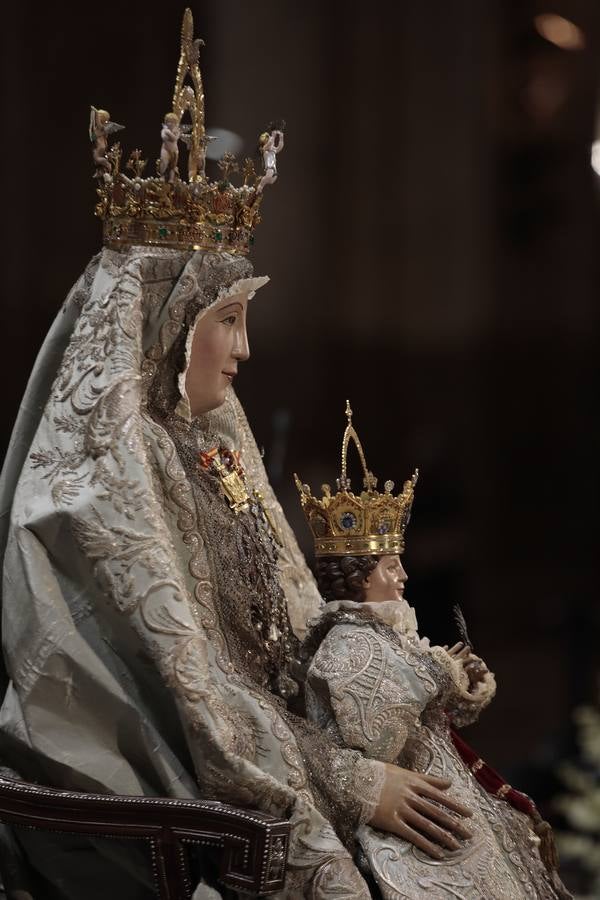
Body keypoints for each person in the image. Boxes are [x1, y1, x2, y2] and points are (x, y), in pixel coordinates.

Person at [0, 10, 475, 899]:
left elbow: (284, 634)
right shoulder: (99, 476)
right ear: (165, 323)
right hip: (171, 810)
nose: (245, 350)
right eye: (228, 320)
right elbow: (186, 694)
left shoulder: (206, 439)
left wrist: (388, 665)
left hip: (271, 762)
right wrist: (345, 780)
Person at [297, 404, 572, 899]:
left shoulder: (384, 631)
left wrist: (462, 683)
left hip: (434, 782)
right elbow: (375, 734)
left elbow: (425, 702)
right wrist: (437, 669)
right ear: (359, 576)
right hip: (393, 805)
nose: (402, 576)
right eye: (389, 567)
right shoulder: (344, 640)